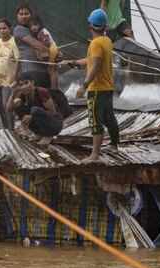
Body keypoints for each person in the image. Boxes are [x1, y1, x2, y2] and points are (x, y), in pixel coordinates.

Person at [61, 9, 119, 163]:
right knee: (109, 118)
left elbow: (96, 66)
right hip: (107, 88)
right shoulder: (106, 41)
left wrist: (84, 85)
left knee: (95, 121)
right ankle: (114, 145)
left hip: (97, 89)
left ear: (89, 25)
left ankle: (94, 155)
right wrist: (70, 63)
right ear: (105, 26)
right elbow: (91, 61)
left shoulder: (95, 43)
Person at [6, 74, 63, 145]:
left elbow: (53, 113)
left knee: (34, 110)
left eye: (26, 83)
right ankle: (39, 133)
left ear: (32, 83)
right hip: (42, 123)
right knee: (19, 107)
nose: (24, 87)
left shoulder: (41, 92)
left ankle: (48, 135)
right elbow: (9, 109)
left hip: (55, 124)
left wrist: (32, 117)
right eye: (21, 85)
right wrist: (13, 92)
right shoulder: (24, 95)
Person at [13, 4, 50, 88]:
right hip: (30, 72)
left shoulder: (37, 30)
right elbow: (37, 45)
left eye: (26, 14)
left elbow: (48, 41)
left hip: (44, 71)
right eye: (21, 14)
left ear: (31, 15)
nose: (24, 16)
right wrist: (53, 52)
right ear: (17, 16)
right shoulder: (19, 29)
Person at [29, 14, 60, 90]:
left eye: (35, 25)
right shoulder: (39, 32)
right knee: (53, 70)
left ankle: (53, 88)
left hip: (52, 49)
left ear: (40, 24)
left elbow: (45, 44)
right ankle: (55, 87)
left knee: (51, 70)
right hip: (51, 49)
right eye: (31, 26)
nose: (33, 27)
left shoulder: (43, 32)